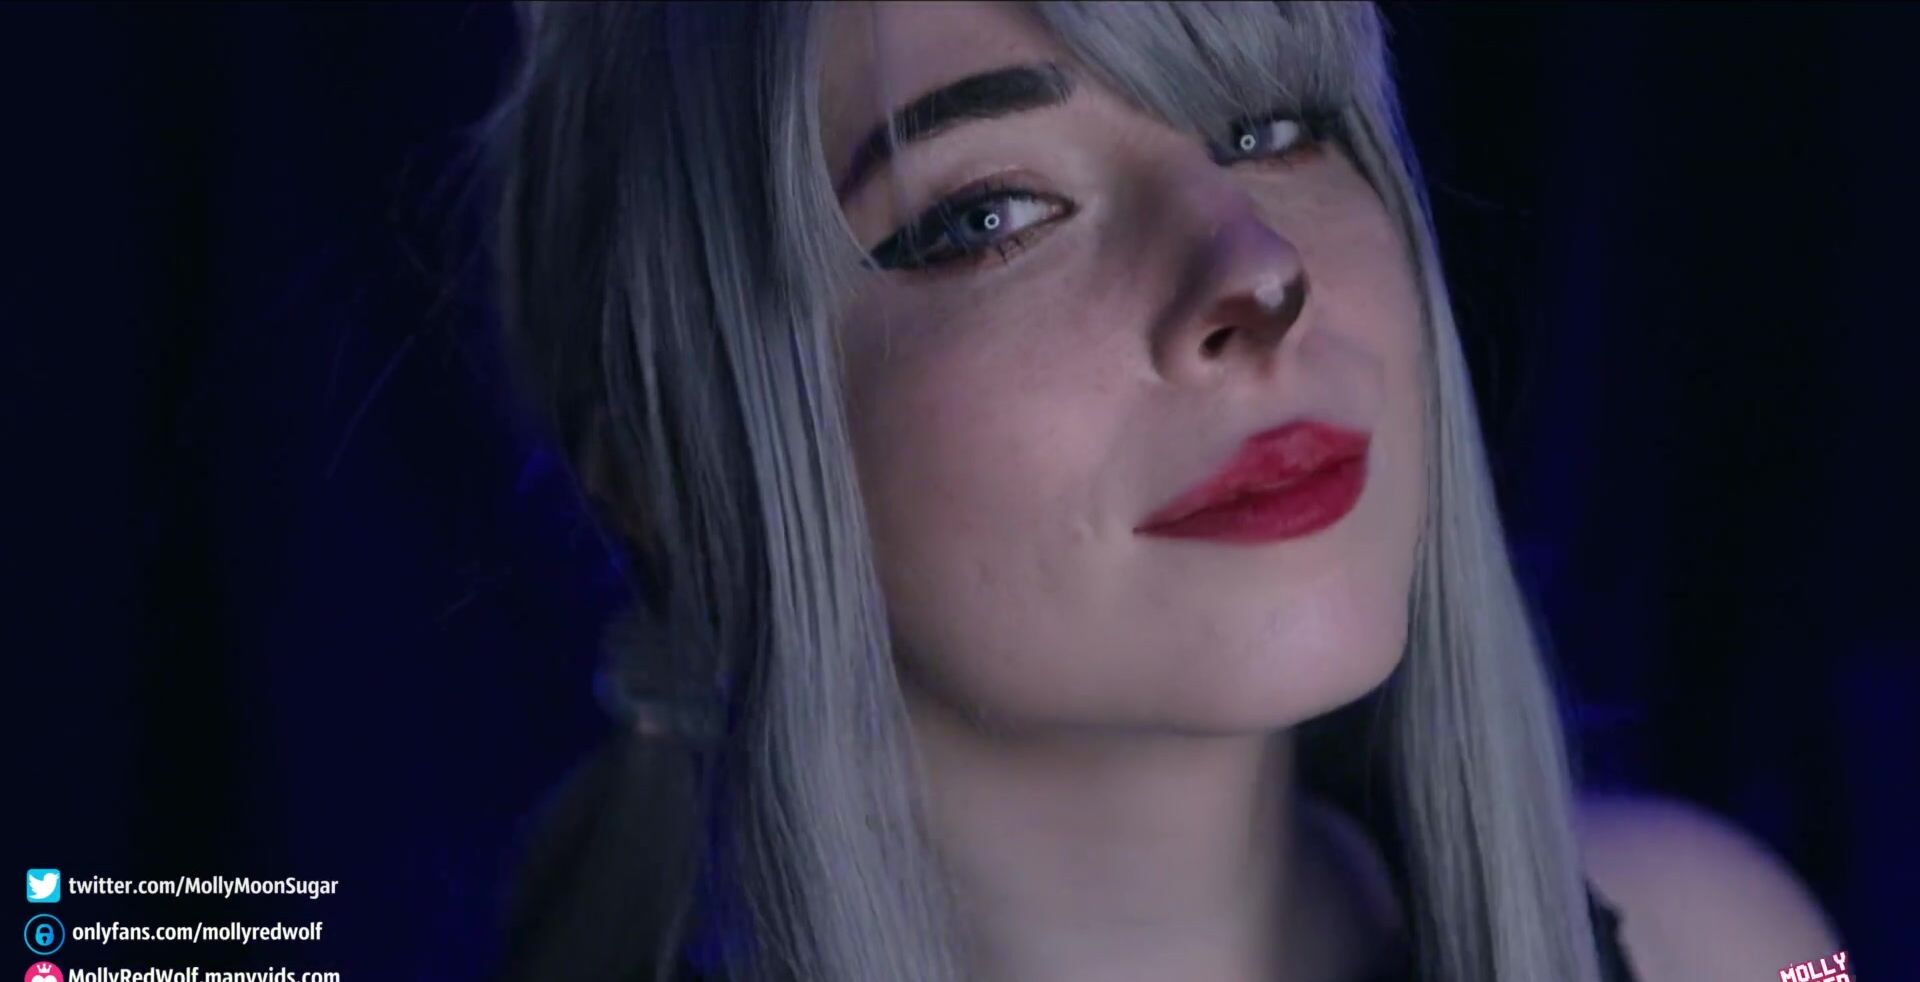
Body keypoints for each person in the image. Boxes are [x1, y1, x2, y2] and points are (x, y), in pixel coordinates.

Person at [482, 3, 1843, 980]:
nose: (1255, 271)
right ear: (665, 479)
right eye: (987, 215)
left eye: (1273, 127)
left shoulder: (1741, 951)